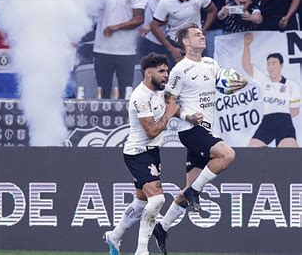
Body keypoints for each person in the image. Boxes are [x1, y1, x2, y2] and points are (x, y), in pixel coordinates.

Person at [152, 24, 247, 254]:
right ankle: (194, 191)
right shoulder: (179, 70)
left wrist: (238, 83)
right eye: (197, 34)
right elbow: (169, 103)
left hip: (208, 130)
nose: (202, 36)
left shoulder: (212, 64)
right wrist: (187, 115)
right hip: (191, 130)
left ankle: (162, 227)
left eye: (202, 33)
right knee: (227, 155)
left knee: (186, 192)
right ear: (185, 42)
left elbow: (230, 83)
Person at [103, 53, 179, 255]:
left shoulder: (161, 92)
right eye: (161, 71)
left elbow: (173, 108)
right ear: (148, 73)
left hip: (152, 152)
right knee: (158, 200)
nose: (166, 75)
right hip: (137, 153)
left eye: (167, 70)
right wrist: (170, 112)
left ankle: (115, 235)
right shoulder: (140, 96)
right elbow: (152, 130)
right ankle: (142, 251)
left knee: (141, 202)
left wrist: (189, 116)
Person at [242, 32, 300, 147]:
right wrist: (247, 45)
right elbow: (246, 65)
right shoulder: (264, 81)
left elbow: (295, 111)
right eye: (269, 64)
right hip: (267, 121)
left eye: (274, 63)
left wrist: (281, 114)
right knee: (252, 152)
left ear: (281, 65)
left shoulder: (292, 85)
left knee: (290, 154)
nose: (271, 66)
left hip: (284, 122)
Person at [93, 0, 147, 99]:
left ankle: (125, 115)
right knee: (103, 89)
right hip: (102, 49)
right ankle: (102, 115)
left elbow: (139, 19)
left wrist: (116, 27)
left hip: (126, 51)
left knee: (126, 89)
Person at [151, 0, 217, 64]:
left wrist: (204, 30)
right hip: (176, 42)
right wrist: (172, 49)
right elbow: (154, 26)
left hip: (197, 41)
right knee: (178, 73)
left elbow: (212, 10)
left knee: (203, 72)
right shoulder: (165, 1)